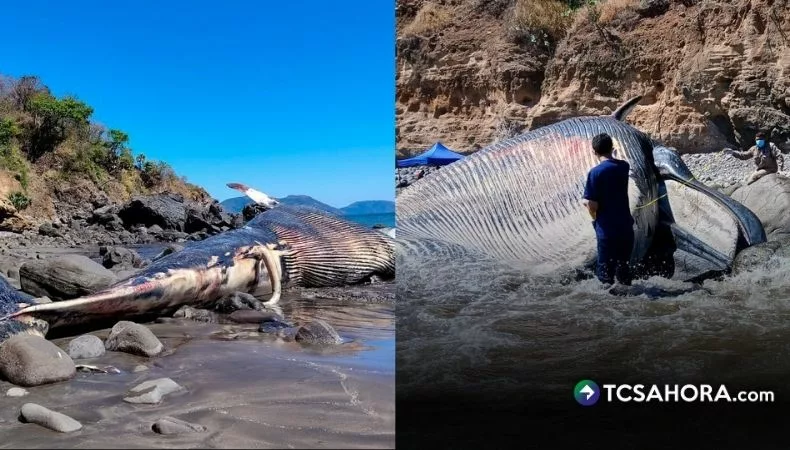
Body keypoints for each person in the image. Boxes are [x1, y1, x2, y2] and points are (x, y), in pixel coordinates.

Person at [582, 133, 635, 286]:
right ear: (612, 148)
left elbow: (593, 204)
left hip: (607, 231)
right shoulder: (624, 166)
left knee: (605, 277)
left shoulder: (595, 172)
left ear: (594, 152)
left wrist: (586, 204)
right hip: (626, 228)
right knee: (623, 270)